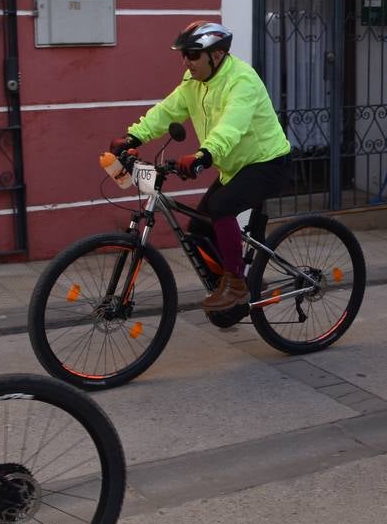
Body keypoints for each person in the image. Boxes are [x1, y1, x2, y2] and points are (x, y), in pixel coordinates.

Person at [110, 21, 290, 311]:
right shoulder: (193, 82)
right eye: (184, 55)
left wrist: (203, 155)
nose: (186, 61)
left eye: (192, 54)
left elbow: (232, 126)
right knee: (199, 229)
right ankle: (231, 286)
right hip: (234, 166)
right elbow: (167, 111)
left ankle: (236, 285)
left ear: (215, 55)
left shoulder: (242, 81)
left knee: (221, 207)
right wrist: (134, 136)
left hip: (267, 163)